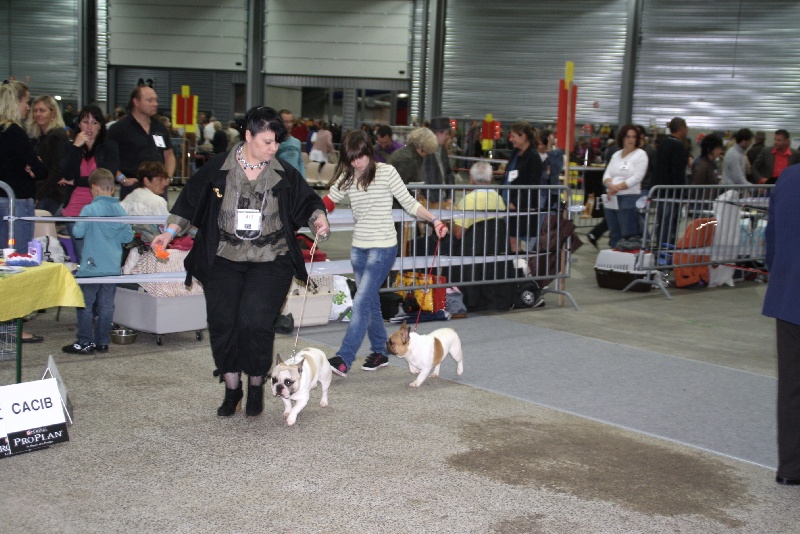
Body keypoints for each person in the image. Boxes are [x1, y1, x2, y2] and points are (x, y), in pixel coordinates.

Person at [150, 106, 329, 418]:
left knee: (255, 321)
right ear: (248, 136)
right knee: (223, 323)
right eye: (267, 142)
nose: (274, 148)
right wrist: (168, 233)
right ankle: (233, 388)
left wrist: (319, 219)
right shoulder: (219, 167)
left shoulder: (282, 171)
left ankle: (258, 383)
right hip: (223, 257)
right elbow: (189, 201)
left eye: (276, 143)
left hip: (270, 259)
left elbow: (309, 201)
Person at [321, 130, 447, 377]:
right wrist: (316, 215)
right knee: (370, 303)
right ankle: (380, 351)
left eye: (360, 157)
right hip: (359, 248)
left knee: (360, 302)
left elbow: (410, 203)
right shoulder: (347, 176)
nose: (357, 163)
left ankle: (344, 358)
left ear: (369, 151)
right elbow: (328, 201)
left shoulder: (387, 172)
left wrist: (434, 220)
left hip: (383, 247)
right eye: (351, 158)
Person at [62, 168, 134, 355]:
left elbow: (77, 233)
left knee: (85, 305)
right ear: (112, 189)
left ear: (93, 188)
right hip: (111, 267)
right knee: (107, 306)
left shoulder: (89, 209)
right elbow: (127, 237)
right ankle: (103, 342)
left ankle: (84, 342)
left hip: (91, 267)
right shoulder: (120, 210)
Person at [0, 80, 48, 343]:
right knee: (15, 263)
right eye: (26, 102)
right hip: (16, 204)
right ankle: (13, 324)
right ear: (15, 102)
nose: (28, 108)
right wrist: (33, 166)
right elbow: (39, 170)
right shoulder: (15, 132)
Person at [762, 161, 800, 486]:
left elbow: (770, 237)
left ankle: (790, 468)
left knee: (790, 386)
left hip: (788, 295)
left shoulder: (788, 177)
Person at [60, 105, 120, 264]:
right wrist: (75, 147)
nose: (89, 126)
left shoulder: (110, 147)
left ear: (100, 125)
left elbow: (106, 178)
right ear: (78, 124)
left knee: (103, 257)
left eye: (94, 122)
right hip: (74, 209)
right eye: (85, 122)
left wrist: (77, 181)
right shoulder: (70, 147)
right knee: (82, 257)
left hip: (100, 208)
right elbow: (66, 174)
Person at [108, 85, 176, 200]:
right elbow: (108, 160)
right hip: (133, 188)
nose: (155, 104)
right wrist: (123, 179)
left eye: (156, 100)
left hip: (158, 189)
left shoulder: (159, 127)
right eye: (149, 100)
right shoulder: (119, 129)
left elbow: (169, 155)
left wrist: (167, 177)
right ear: (136, 102)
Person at [602, 125, 647, 248]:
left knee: (628, 235)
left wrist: (617, 187)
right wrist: (610, 185)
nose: (630, 140)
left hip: (629, 198)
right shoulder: (616, 154)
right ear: (622, 138)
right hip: (611, 198)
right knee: (614, 234)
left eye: (633, 137)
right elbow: (607, 173)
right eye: (628, 136)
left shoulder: (641, 154)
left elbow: (637, 177)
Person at [501, 121, 542, 252]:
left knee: (514, 240)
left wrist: (515, 203)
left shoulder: (534, 157)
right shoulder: (515, 153)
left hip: (520, 207)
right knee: (510, 239)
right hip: (508, 203)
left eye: (513, 136)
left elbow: (532, 185)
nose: (511, 139)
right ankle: (514, 268)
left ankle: (517, 269)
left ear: (523, 136)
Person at [27, 95, 69, 215]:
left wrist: (39, 195)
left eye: (42, 110)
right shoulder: (37, 138)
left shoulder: (57, 137)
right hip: (41, 190)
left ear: (53, 113)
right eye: (35, 110)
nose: (38, 114)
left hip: (53, 193)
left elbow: (57, 171)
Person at [652, 117, 689, 246]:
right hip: (673, 193)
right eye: (686, 128)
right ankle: (667, 250)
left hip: (661, 191)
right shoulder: (678, 146)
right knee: (670, 224)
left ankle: (659, 249)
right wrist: (682, 194)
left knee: (661, 222)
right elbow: (678, 172)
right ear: (681, 128)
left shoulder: (662, 144)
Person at [120, 161, 170, 242]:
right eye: (160, 179)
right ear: (147, 181)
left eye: (165, 179)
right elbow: (165, 230)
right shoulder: (158, 201)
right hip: (151, 247)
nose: (164, 183)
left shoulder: (126, 199)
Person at [421, 117, 455, 204]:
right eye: (446, 134)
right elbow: (424, 178)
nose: (447, 137)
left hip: (442, 199)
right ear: (437, 133)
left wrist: (450, 196)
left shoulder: (442, 149)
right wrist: (433, 201)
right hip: (431, 201)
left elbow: (448, 173)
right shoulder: (425, 151)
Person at [275, 109, 306, 178]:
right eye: (285, 122)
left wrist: (304, 180)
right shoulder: (273, 143)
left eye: (291, 121)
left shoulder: (297, 142)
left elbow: (300, 162)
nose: (289, 125)